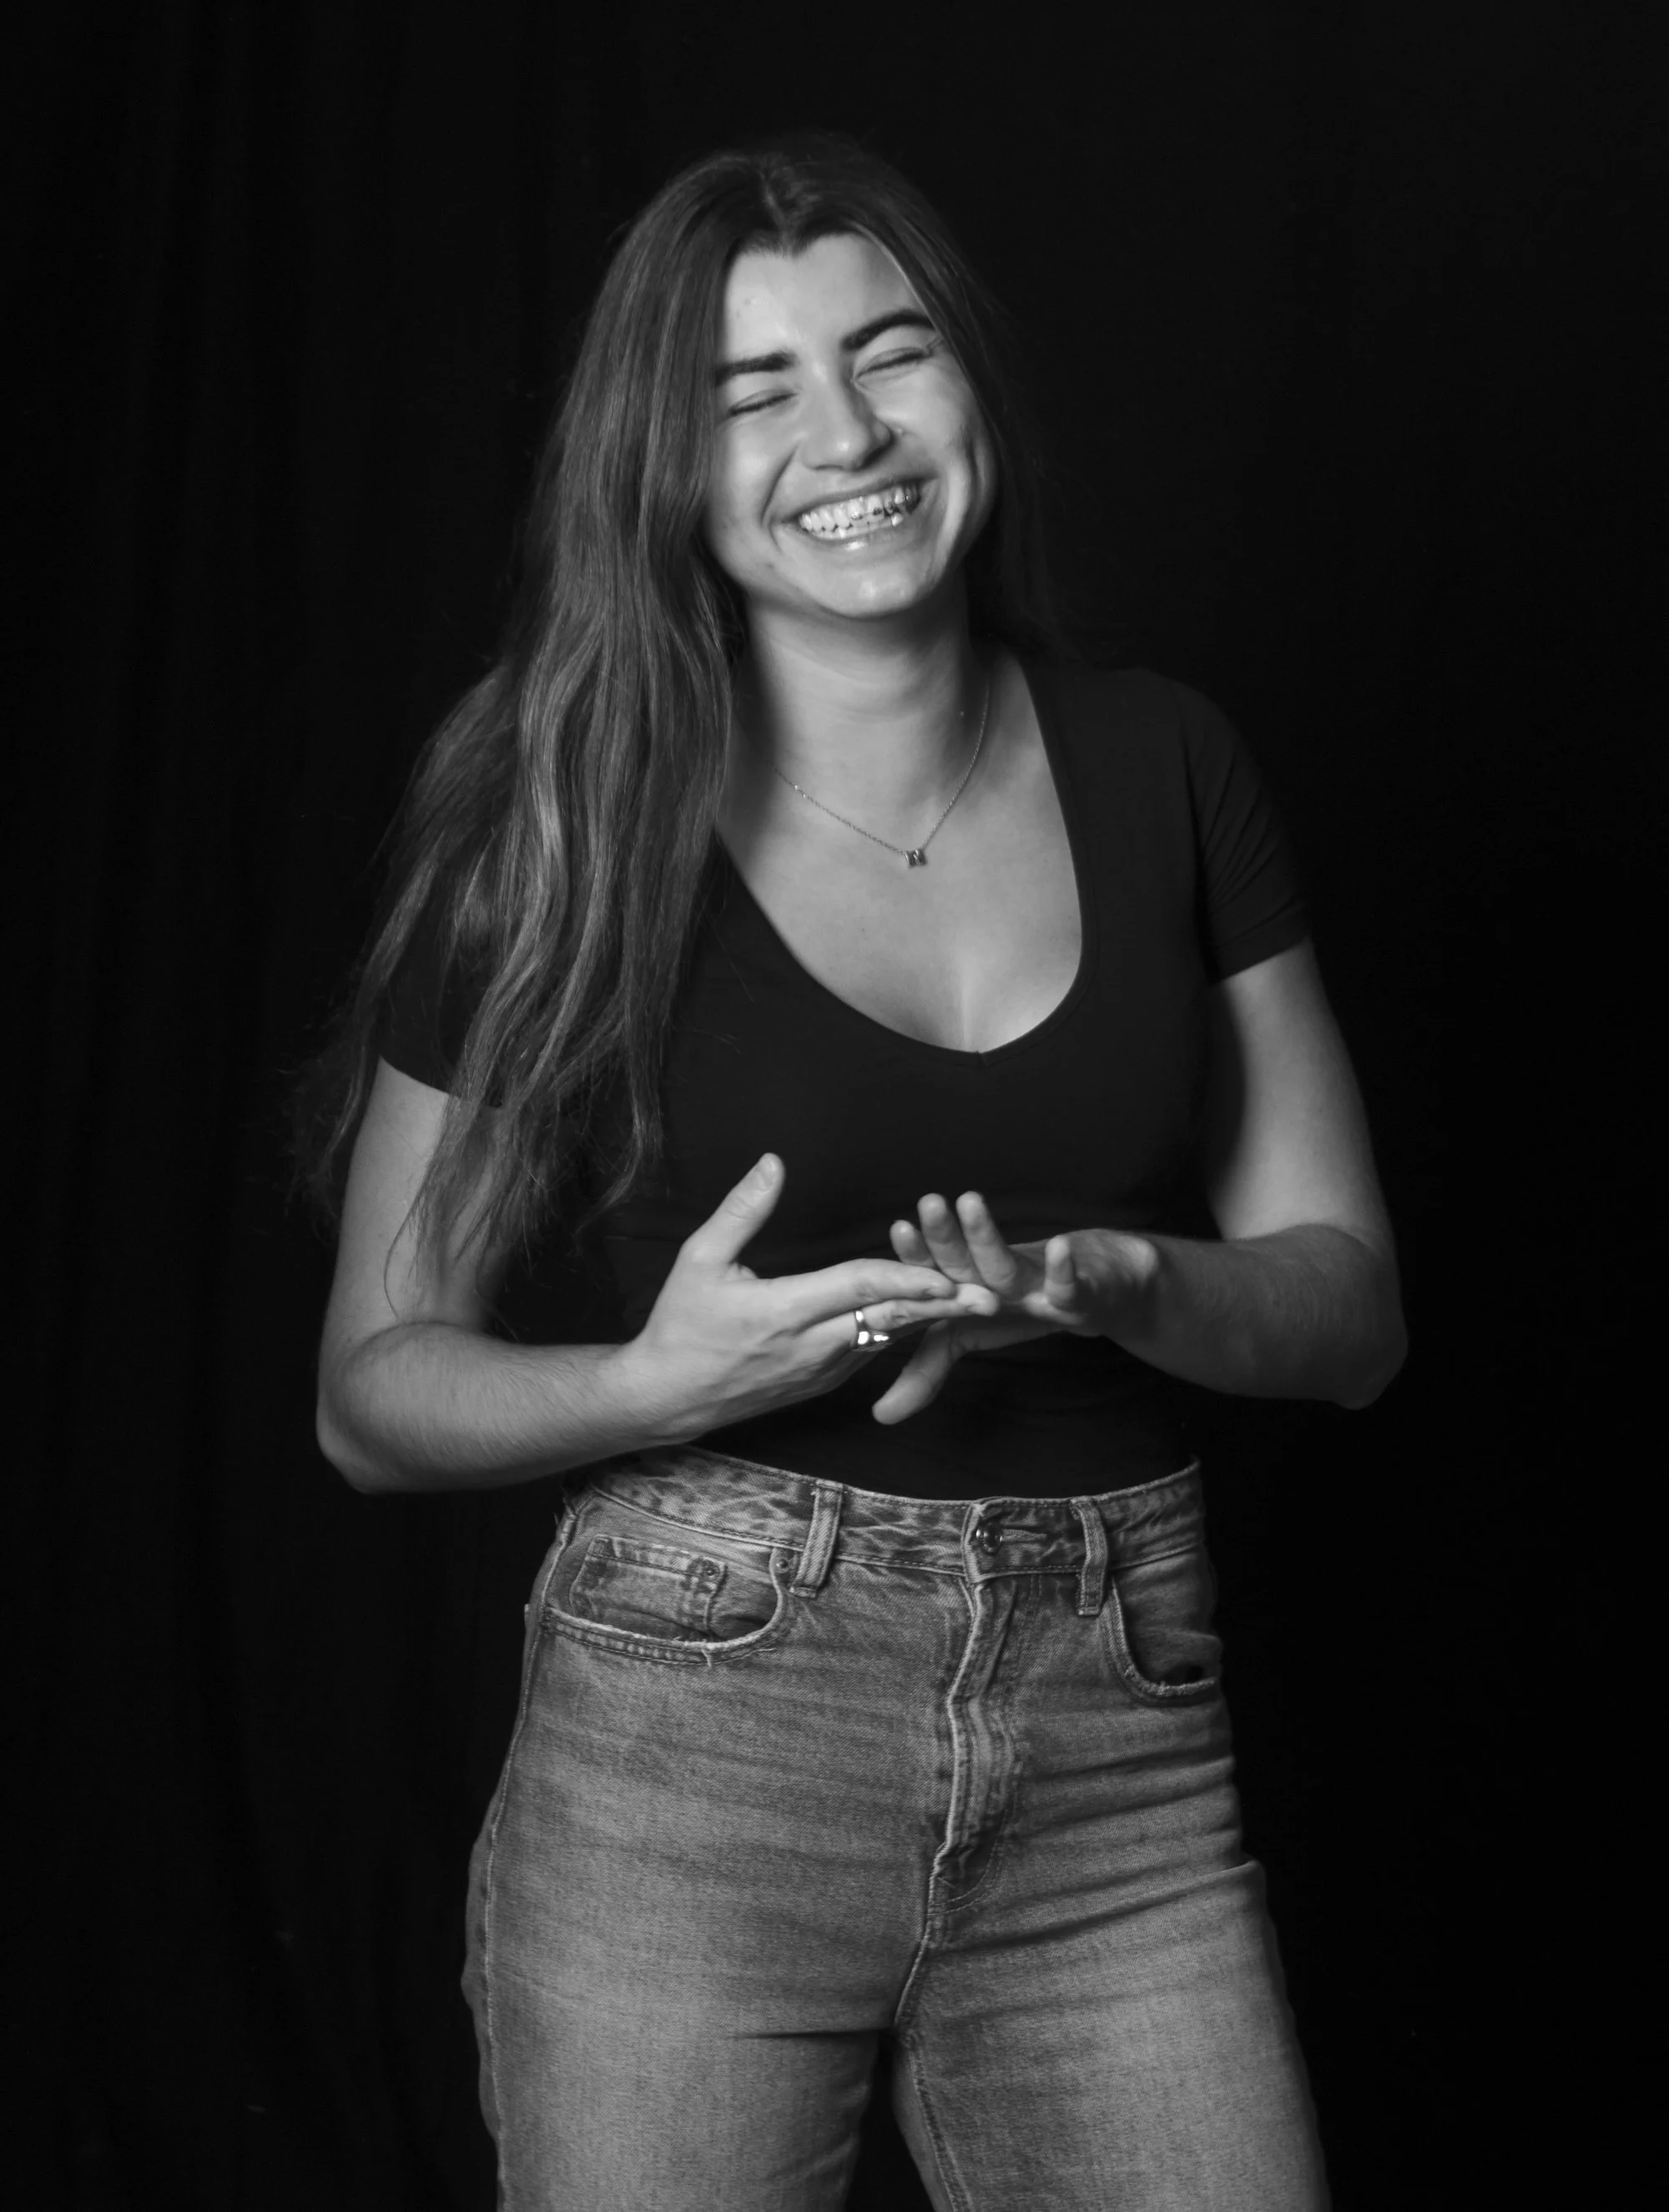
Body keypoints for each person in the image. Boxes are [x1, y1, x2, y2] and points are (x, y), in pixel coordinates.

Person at [305, 132, 1404, 2211]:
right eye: (753, 394)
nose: (847, 434)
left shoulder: (1168, 761)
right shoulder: (572, 817)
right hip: (697, 1738)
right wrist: (660, 1381)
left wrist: (1126, 1282)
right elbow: (370, 1393)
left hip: (1121, 1746)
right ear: (669, 472)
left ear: (969, 386)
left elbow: (1351, 1313)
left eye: (889, 354)